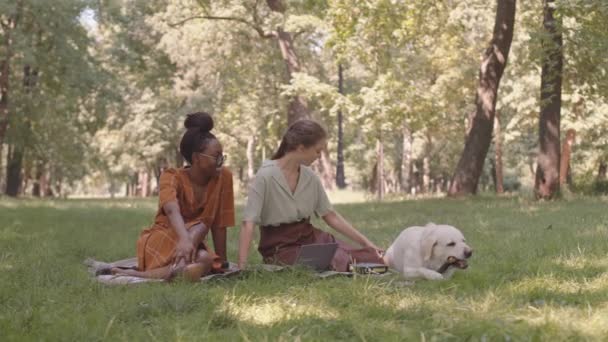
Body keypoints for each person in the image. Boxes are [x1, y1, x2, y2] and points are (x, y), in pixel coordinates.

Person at [237, 119, 384, 271]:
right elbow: (248, 223)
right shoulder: (265, 176)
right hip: (280, 248)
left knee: (363, 256)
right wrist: (241, 267)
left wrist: (369, 245)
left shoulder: (310, 177)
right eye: (317, 150)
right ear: (301, 148)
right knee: (336, 259)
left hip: (310, 237)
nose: (319, 156)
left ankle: (387, 257)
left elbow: (330, 216)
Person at [112, 112, 235, 281]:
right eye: (216, 156)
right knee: (199, 227)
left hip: (192, 243)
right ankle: (154, 273)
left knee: (206, 258)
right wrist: (185, 239)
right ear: (197, 158)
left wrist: (223, 262)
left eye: (222, 156)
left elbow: (220, 223)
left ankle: (153, 274)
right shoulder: (171, 176)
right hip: (164, 237)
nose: (221, 161)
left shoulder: (223, 177)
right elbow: (171, 209)